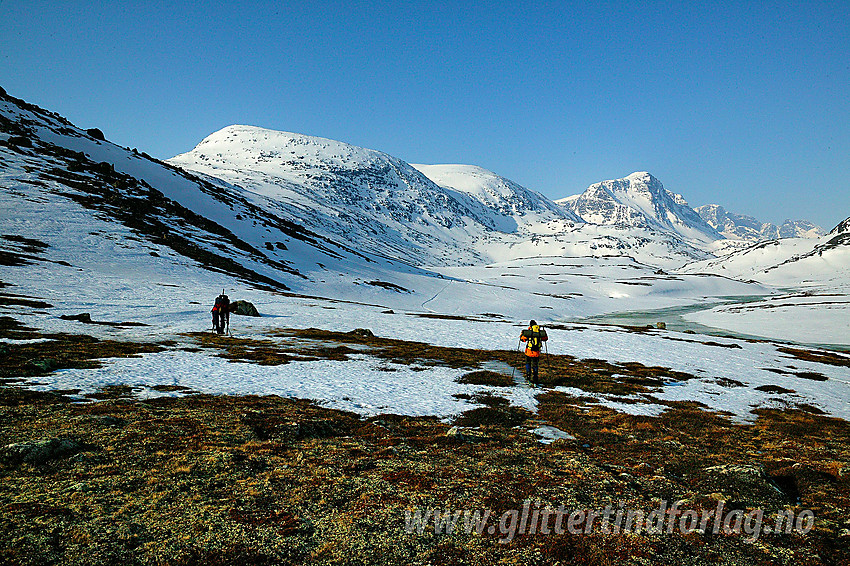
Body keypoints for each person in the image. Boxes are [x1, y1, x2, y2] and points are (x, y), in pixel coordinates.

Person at [519, 320, 548, 386]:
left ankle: (528, 378)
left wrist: (521, 334)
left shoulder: (529, 332)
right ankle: (535, 380)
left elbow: (522, 339)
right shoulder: (539, 332)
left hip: (528, 352)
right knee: (535, 366)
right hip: (536, 353)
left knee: (528, 364)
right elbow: (545, 338)